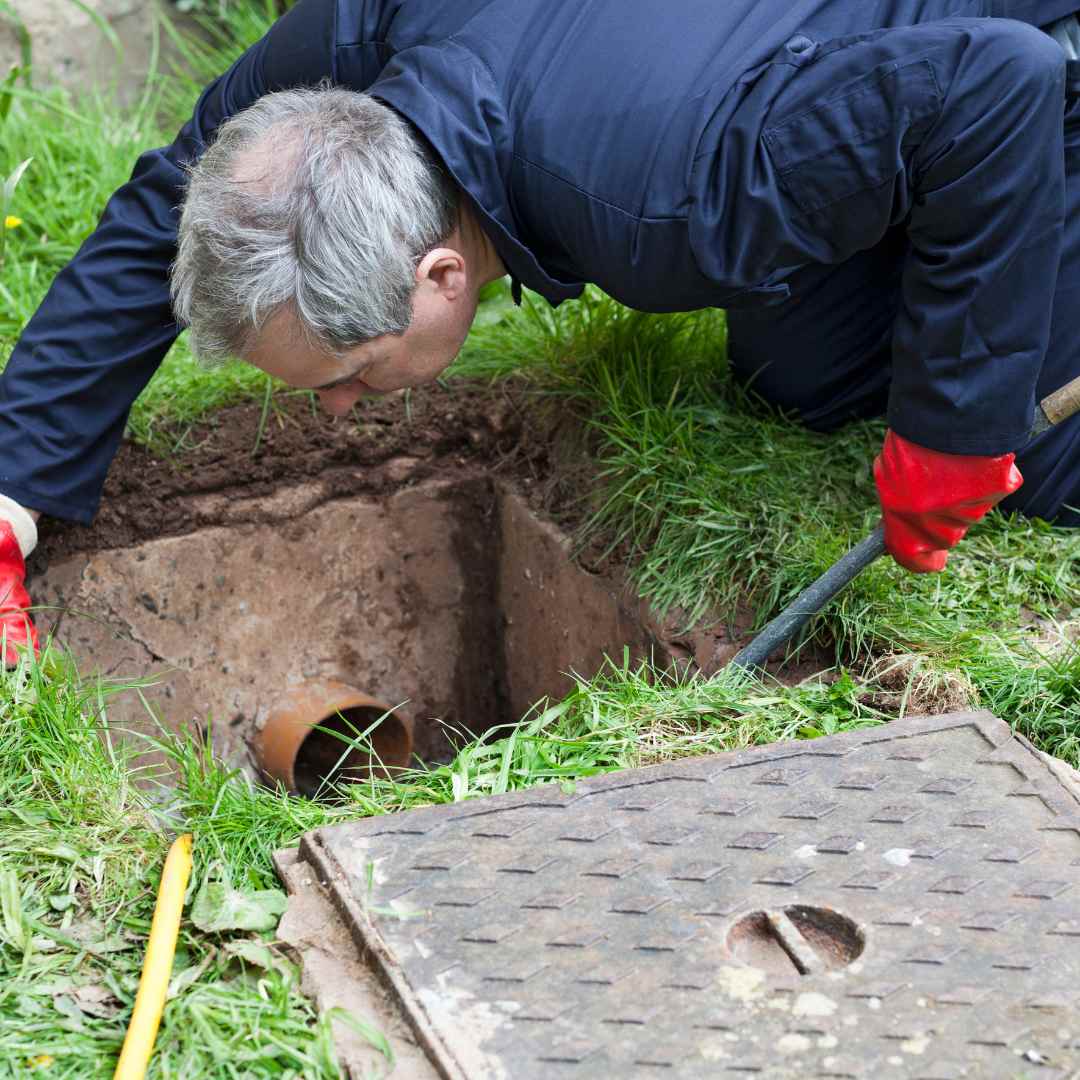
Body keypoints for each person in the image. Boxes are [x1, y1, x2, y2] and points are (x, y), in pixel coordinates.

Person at [0, 0, 1078, 662]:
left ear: (441, 276)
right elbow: (179, 202)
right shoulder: (356, 33)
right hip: (835, 52)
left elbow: (997, 88)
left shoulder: (668, 206)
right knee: (804, 371)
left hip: (1036, 65)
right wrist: (14, 488)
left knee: (1039, 455)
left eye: (351, 375)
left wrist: (954, 426)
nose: (333, 412)